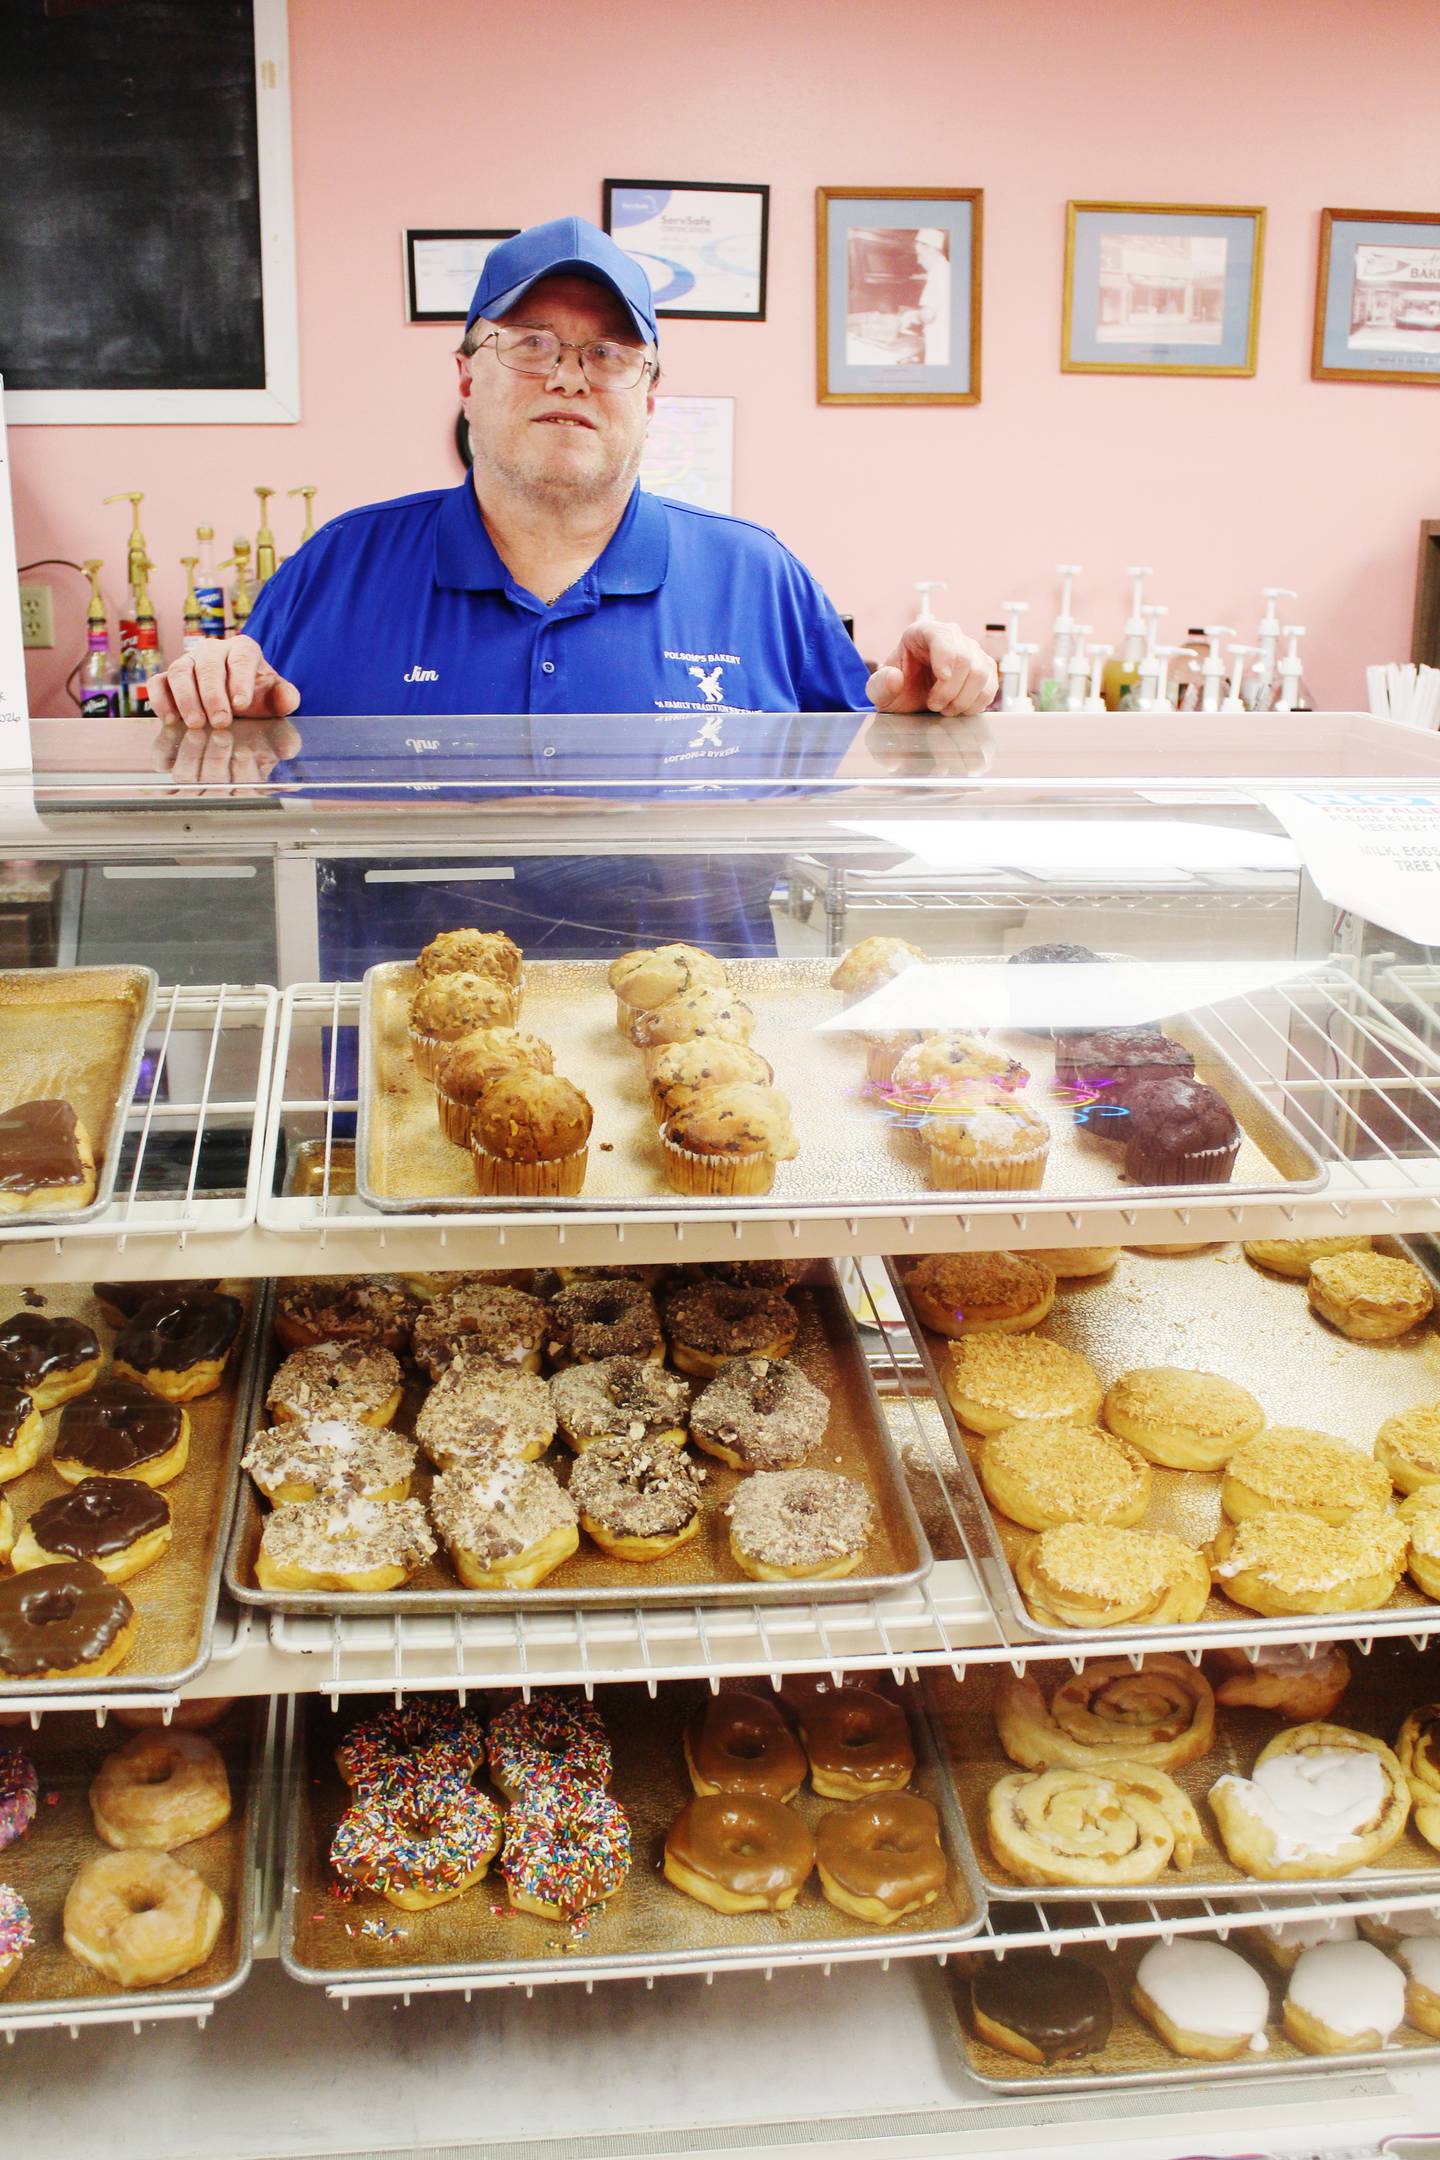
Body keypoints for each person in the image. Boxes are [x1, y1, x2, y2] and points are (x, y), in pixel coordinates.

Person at [145, 215, 997, 736]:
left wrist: (940, 699)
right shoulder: (338, 568)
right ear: (466, 376)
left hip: (690, 1027)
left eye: (609, 353)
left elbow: (874, 760)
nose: (569, 377)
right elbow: (246, 779)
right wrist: (215, 699)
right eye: (531, 345)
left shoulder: (756, 578)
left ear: (651, 395)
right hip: (408, 1021)